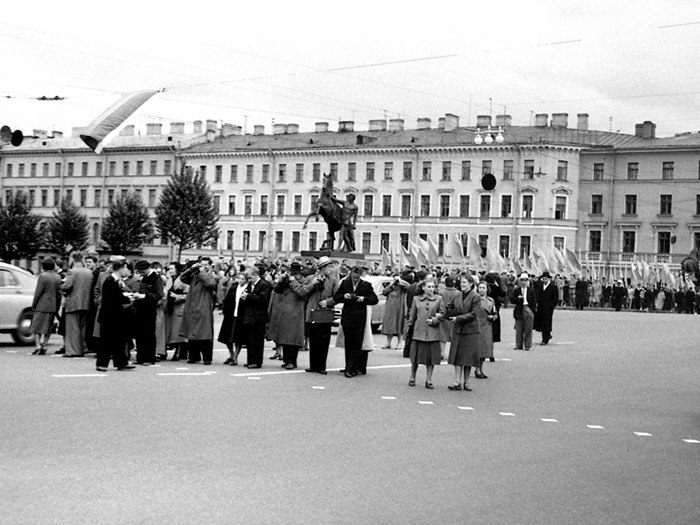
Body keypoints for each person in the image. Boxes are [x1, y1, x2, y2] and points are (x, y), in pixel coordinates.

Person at [333, 261, 378, 378]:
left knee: (357, 345)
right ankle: (349, 366)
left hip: (359, 318)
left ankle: (352, 368)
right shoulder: (345, 283)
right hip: (347, 317)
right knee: (348, 344)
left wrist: (363, 299)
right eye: (353, 277)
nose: (355, 279)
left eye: (357, 278)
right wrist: (344, 297)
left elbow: (374, 299)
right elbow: (336, 297)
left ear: (361, 275)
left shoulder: (366, 285)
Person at [267, 263, 309, 369]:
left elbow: (302, 293)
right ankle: (286, 360)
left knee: (293, 339)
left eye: (295, 273)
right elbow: (276, 290)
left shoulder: (303, 281)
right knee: (284, 337)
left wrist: (293, 281)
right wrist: (281, 280)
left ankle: (292, 361)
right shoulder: (287, 281)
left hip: (296, 312)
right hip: (285, 311)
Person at [96, 259, 136, 372]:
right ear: (121, 268)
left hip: (117, 315)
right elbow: (111, 298)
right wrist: (126, 297)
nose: (127, 271)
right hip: (109, 316)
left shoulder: (117, 281)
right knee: (106, 340)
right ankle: (102, 363)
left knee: (119, 340)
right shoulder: (109, 281)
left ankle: (121, 362)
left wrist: (124, 295)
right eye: (126, 268)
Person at [445, 272, 481, 391]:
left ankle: (466, 382)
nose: (462, 284)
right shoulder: (457, 295)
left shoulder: (476, 297)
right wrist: (446, 314)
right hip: (458, 329)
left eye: (464, 282)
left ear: (471, 284)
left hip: (470, 330)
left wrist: (458, 318)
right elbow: (449, 307)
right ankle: (457, 381)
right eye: (461, 282)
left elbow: (474, 313)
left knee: (468, 357)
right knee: (457, 356)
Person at [301, 256, 338, 375]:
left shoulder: (333, 280)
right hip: (312, 312)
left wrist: (328, 302)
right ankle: (313, 365)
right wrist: (313, 284)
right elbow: (303, 292)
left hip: (325, 313)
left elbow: (337, 296)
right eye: (329, 267)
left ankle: (321, 366)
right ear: (322, 268)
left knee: (324, 340)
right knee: (313, 339)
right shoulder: (310, 278)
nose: (331, 269)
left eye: (331, 267)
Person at [179, 257, 219, 365]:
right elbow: (183, 278)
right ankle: (193, 356)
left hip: (204, 307)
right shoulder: (195, 275)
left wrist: (202, 273)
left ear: (210, 266)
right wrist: (191, 269)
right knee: (192, 333)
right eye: (202, 264)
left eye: (206, 265)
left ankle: (207, 357)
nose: (203, 267)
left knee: (205, 334)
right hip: (192, 306)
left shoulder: (212, 275)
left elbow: (211, 284)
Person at [407, 278, 445, 389]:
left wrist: (434, 320)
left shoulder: (439, 299)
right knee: (415, 357)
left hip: (432, 333)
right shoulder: (416, 299)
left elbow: (443, 315)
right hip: (418, 331)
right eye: (429, 287)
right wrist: (408, 329)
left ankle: (429, 379)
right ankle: (413, 376)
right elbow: (412, 316)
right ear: (423, 287)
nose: (431, 289)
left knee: (431, 358)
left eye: (433, 287)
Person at [61, 253, 94, 358]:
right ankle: (82, 348)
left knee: (72, 328)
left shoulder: (71, 272)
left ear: (73, 260)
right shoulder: (89, 272)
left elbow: (67, 286)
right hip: (86, 303)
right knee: (83, 328)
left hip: (73, 303)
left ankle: (73, 351)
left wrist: (62, 286)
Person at [132, 260, 164, 366]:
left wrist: (144, 296)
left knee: (149, 334)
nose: (140, 273)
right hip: (140, 308)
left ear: (146, 268)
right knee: (140, 334)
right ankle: (140, 357)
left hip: (149, 309)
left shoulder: (156, 278)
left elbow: (159, 295)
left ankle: (149, 358)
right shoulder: (145, 277)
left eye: (141, 271)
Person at [242, 266, 272, 369]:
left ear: (256, 275)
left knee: (257, 340)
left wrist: (248, 296)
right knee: (250, 340)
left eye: (250, 277)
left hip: (259, 316)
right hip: (250, 315)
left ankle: (257, 361)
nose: (249, 280)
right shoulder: (250, 285)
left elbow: (262, 299)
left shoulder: (263, 285)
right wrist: (245, 296)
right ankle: (250, 360)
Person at [30, 258, 62, 355]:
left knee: (37, 325)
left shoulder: (42, 276)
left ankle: (38, 346)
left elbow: (38, 292)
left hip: (42, 304)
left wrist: (34, 304)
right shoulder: (58, 277)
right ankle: (44, 345)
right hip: (52, 304)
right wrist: (57, 305)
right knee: (48, 326)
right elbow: (59, 293)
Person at [217, 272, 247, 366]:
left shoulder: (248, 288)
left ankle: (235, 357)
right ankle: (231, 354)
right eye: (239, 278)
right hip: (231, 314)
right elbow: (227, 299)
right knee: (227, 337)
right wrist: (225, 309)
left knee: (238, 338)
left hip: (241, 315)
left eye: (242, 279)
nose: (240, 280)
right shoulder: (234, 287)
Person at [165, 262, 189, 361]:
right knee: (169, 331)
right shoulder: (169, 280)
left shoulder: (183, 280)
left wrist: (177, 296)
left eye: (172, 269)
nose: (170, 271)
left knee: (178, 332)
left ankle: (178, 352)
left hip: (179, 307)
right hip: (170, 307)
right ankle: (165, 351)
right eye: (169, 269)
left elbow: (188, 295)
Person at [475, 281, 497, 378]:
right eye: (480, 288)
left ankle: (481, 368)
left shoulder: (491, 300)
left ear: (487, 289)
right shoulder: (475, 299)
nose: (481, 290)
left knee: (485, 349)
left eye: (483, 288)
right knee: (478, 348)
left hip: (487, 326)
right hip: (477, 325)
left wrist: (493, 317)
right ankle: (477, 369)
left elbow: (495, 313)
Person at [380, 273, 408, 350]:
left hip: (400, 307)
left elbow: (408, 287)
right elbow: (384, 292)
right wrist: (392, 285)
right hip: (390, 308)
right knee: (390, 324)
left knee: (399, 324)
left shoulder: (403, 287)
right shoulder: (391, 286)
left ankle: (399, 343)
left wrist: (400, 282)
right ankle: (388, 343)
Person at [511, 272, 537, 351]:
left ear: (528, 281)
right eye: (522, 280)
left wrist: (532, 310)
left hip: (527, 308)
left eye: (525, 280)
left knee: (528, 328)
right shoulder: (517, 290)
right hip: (519, 309)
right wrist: (518, 298)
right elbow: (512, 300)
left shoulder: (531, 290)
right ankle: (518, 345)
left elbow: (534, 301)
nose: (523, 282)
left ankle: (527, 345)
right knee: (519, 329)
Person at [534, 271, 558, 345]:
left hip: (548, 308)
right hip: (541, 307)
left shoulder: (553, 287)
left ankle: (545, 339)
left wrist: (551, 306)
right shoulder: (540, 287)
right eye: (543, 279)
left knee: (546, 322)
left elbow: (555, 299)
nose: (544, 280)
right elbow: (537, 296)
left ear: (549, 279)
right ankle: (547, 335)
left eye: (546, 279)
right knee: (542, 323)